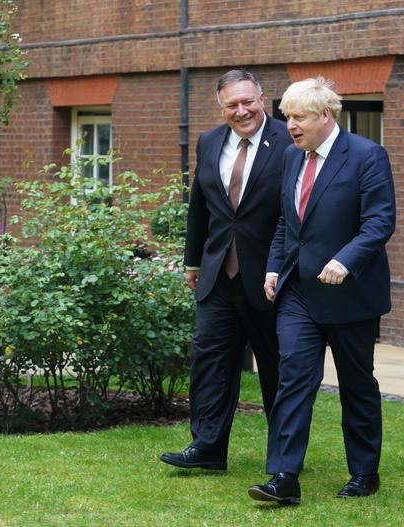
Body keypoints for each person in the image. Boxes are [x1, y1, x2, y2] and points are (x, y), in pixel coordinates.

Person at [248, 77, 396, 504]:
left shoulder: (367, 156)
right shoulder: (294, 160)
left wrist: (345, 260)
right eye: (287, 117)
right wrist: (275, 268)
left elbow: (379, 223)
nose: (290, 126)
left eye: (299, 118)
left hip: (350, 294)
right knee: (293, 378)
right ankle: (283, 477)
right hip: (299, 292)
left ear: (326, 116)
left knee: (356, 383)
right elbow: (286, 225)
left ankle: (364, 473)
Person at [160, 70, 292, 471]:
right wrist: (193, 259)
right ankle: (207, 448)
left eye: (247, 101)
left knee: (276, 368)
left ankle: (284, 455)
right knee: (210, 362)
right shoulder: (210, 141)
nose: (241, 110)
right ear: (221, 107)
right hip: (218, 273)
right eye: (232, 104)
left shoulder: (289, 141)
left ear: (262, 98)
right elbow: (199, 205)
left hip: (271, 276)